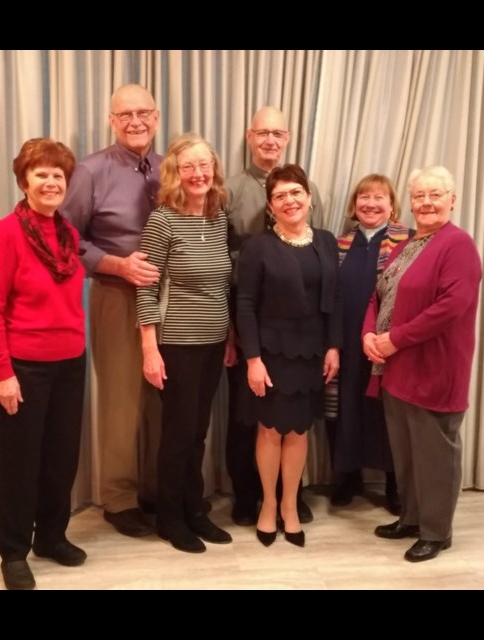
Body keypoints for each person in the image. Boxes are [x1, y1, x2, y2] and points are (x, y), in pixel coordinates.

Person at [0, 138, 88, 590]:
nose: (50, 182)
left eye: (58, 175)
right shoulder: (5, 233)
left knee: (61, 459)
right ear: (24, 181)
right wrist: (2, 372)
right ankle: (14, 552)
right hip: (22, 368)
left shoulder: (68, 234)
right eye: (40, 174)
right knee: (20, 464)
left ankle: (52, 537)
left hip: (70, 364)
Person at [364, 166, 481, 563]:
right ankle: (411, 518)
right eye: (419, 196)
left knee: (435, 453)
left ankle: (436, 531)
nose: (427, 203)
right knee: (407, 451)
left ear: (452, 198)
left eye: (435, 194)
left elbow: (451, 307)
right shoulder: (408, 243)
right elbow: (378, 295)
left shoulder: (458, 244)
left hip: (435, 366)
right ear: (410, 202)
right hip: (397, 369)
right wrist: (369, 335)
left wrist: (394, 339)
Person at [61, 84, 162, 538]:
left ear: (157, 117)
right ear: (112, 120)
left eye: (143, 113)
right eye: (125, 115)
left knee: (163, 401)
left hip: (170, 302)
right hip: (116, 295)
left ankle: (159, 491)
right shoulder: (90, 171)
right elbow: (64, 240)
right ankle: (120, 499)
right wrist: (115, 263)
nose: (135, 121)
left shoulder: (170, 168)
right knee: (123, 402)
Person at [225, 106, 326, 527]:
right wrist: (236, 334)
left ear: (286, 137)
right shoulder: (230, 189)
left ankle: (291, 496)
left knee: (296, 420)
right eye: (262, 132)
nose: (270, 139)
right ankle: (249, 496)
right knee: (248, 414)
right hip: (247, 315)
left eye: (277, 133)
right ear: (250, 137)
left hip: (300, 330)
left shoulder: (308, 189)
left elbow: (315, 263)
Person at [136, 134, 235, 553]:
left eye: (204, 165)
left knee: (198, 432)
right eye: (188, 167)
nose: (198, 174)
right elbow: (145, 288)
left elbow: (222, 286)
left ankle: (196, 510)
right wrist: (149, 349)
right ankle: (170, 517)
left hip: (214, 341)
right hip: (176, 342)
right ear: (176, 174)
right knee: (177, 434)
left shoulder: (219, 216)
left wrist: (229, 338)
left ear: (214, 170)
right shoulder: (163, 220)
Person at [236, 164, 340, 548]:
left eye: (296, 192)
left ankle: (291, 507)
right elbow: (244, 304)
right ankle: (268, 505)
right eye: (280, 195)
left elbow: (336, 300)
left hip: (312, 352)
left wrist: (334, 346)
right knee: (269, 430)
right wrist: (253, 359)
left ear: (309, 197)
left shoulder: (327, 242)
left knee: (298, 431)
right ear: (270, 206)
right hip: (270, 352)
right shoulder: (258, 246)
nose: (289, 200)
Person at [327, 175, 410, 512]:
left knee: (386, 412)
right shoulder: (339, 244)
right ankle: (348, 477)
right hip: (347, 340)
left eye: (379, 197)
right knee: (344, 409)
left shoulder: (409, 241)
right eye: (364, 196)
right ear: (354, 204)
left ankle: (394, 483)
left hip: (388, 343)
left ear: (392, 205)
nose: (371, 203)